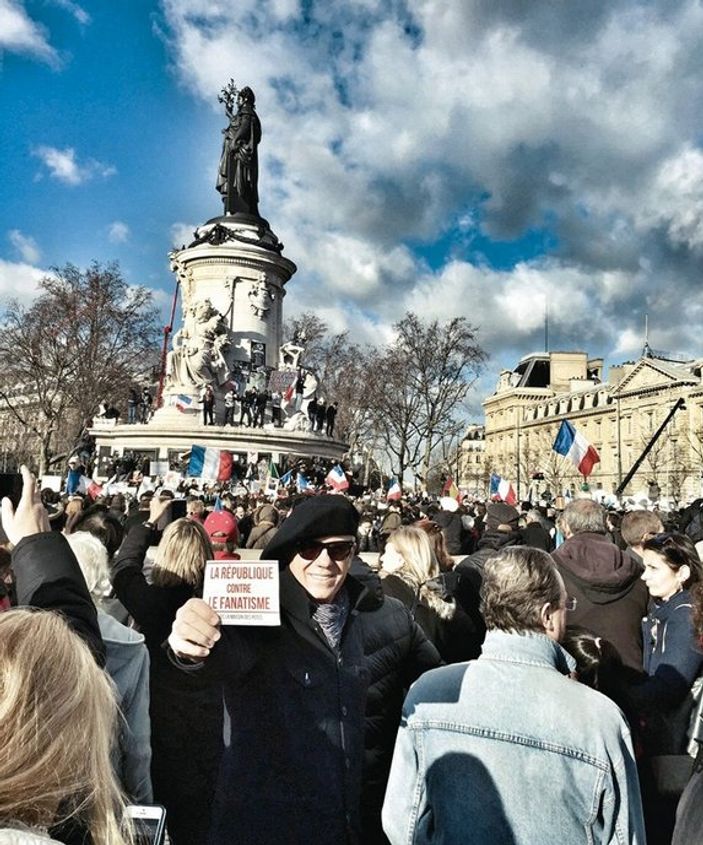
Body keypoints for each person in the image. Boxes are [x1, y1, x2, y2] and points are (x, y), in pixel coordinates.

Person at [168, 494, 441, 844]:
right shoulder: (254, 611)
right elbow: (207, 662)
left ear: (354, 552)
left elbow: (437, 684)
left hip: (360, 825)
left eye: (339, 549)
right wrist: (188, 646)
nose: (325, 561)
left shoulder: (391, 615)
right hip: (267, 827)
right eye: (310, 549)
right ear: (289, 551)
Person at [381, 545, 646, 845]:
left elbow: (401, 822)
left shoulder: (430, 693)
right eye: (565, 606)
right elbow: (625, 836)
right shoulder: (600, 717)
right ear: (548, 615)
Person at [111, 503, 224, 845]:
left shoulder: (148, 600)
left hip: (153, 725)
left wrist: (147, 522)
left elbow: (124, 567)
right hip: (210, 736)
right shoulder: (219, 611)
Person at [66, 530, 153, 803]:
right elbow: (137, 744)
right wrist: (143, 802)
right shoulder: (130, 645)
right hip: (102, 792)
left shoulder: (23, 628)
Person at [552, 498, 649, 670]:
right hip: (629, 673)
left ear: (565, 526)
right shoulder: (635, 567)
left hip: (571, 674)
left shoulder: (550, 567)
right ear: (605, 523)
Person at [380, 525, 480, 663]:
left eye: (387, 552)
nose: (382, 558)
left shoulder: (388, 590)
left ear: (401, 558)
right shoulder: (444, 592)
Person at [216, 85, 261, 217]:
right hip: (234, 155)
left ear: (245, 98)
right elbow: (237, 124)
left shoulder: (247, 112)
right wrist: (230, 114)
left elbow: (244, 127)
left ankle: (240, 208)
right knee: (234, 181)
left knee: (240, 181)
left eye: (238, 99)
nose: (237, 102)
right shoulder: (244, 113)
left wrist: (235, 140)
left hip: (240, 154)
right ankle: (232, 207)